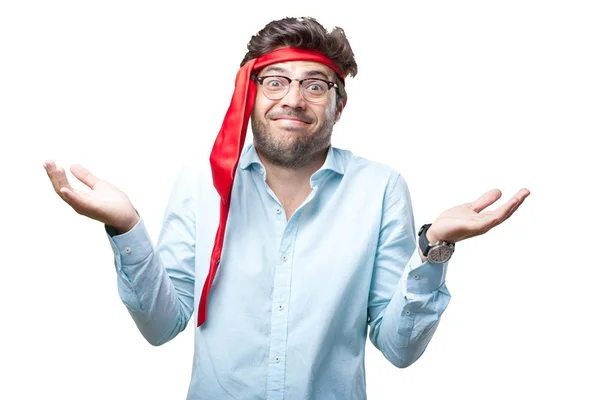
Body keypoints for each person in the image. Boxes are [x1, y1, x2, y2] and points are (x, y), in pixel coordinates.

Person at [44, 16, 530, 400]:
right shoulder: (200, 183)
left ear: (339, 105)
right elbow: (161, 326)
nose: (293, 99)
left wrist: (436, 247)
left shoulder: (381, 188)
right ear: (249, 96)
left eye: (315, 86)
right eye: (275, 82)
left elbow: (399, 349)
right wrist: (125, 227)